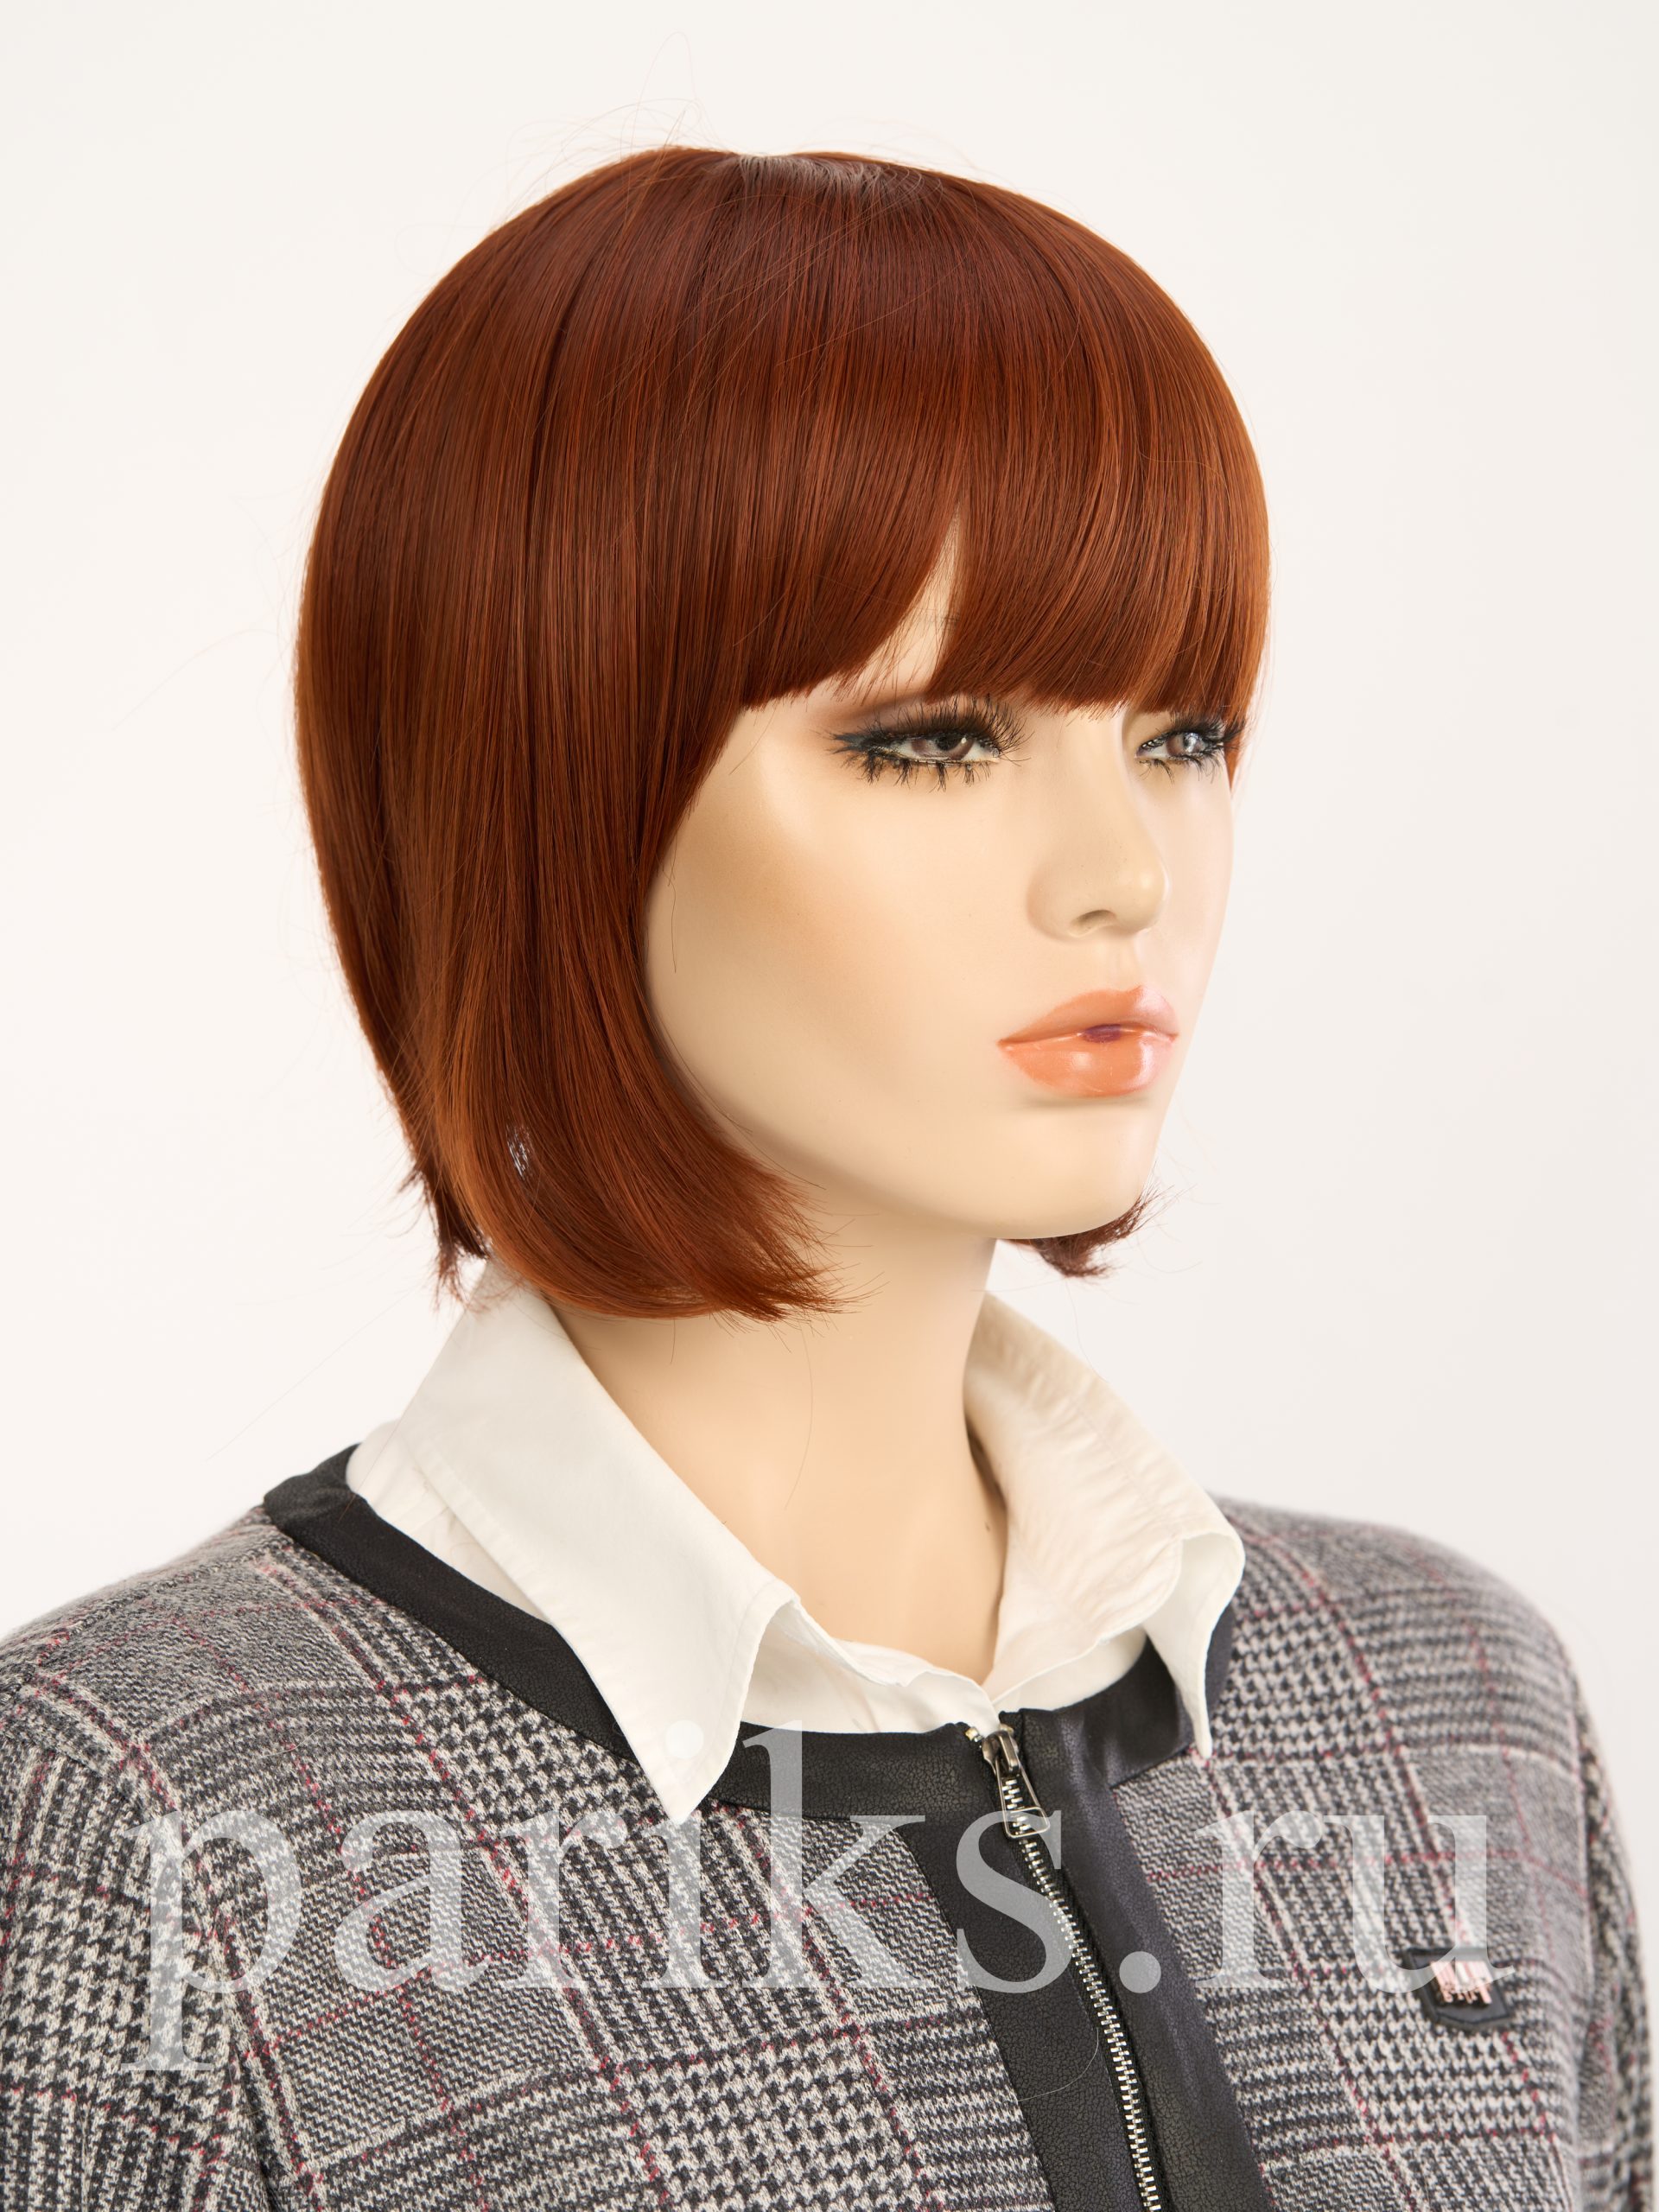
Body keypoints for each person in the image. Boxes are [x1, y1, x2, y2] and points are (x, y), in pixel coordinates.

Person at [0, 145, 1647, 2211]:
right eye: (935, 737)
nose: (1122, 873)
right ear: (556, 781)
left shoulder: (1450, 1695)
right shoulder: (140, 1802)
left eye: (1185, 730)